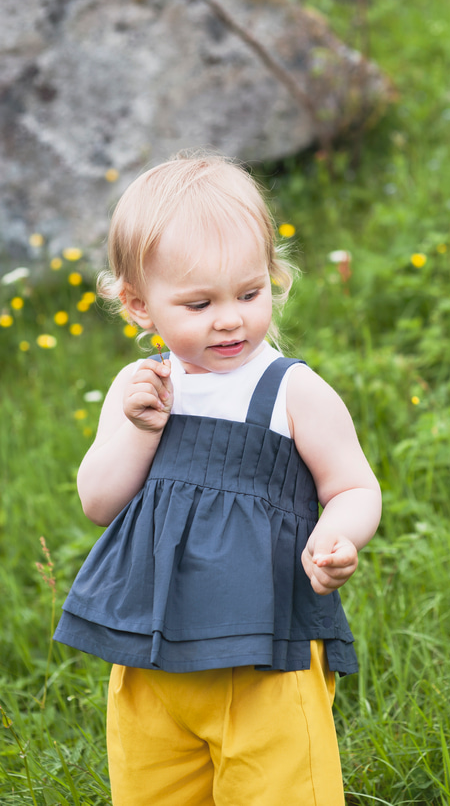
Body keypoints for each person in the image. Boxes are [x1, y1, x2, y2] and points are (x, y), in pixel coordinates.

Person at [54, 151, 382, 806]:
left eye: (249, 293)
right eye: (199, 303)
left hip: (265, 653)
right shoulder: (140, 388)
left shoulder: (292, 391)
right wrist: (141, 428)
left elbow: (352, 486)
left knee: (281, 790)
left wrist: (336, 538)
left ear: (273, 278)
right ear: (138, 305)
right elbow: (98, 501)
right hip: (151, 655)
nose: (229, 318)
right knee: (154, 790)